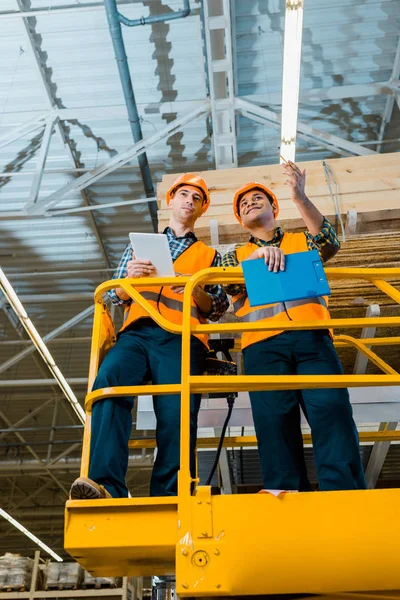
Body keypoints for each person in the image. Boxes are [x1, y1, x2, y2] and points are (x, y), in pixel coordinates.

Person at [70, 174, 229, 499]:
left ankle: (171, 494)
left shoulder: (209, 256)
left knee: (177, 412)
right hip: (137, 335)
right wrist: (128, 278)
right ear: (170, 201)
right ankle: (105, 484)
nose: (189, 200)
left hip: (181, 338)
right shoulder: (138, 247)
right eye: (183, 194)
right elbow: (114, 296)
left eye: (196, 198)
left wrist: (194, 289)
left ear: (200, 210)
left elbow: (217, 306)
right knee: (108, 387)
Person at [222, 160, 366, 492]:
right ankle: (285, 491)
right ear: (240, 220)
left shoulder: (302, 241)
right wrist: (256, 261)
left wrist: (301, 197)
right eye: (243, 204)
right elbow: (229, 288)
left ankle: (344, 490)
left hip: (312, 339)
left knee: (331, 411)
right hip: (262, 347)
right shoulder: (234, 256)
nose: (250, 203)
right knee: (273, 420)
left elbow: (329, 242)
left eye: (258, 198)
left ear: (274, 206)